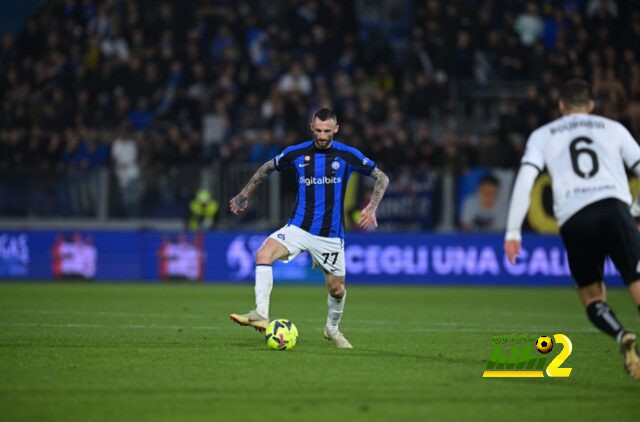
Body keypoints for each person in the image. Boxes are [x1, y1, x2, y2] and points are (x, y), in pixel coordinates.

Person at [504, 79, 640, 380]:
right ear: (591, 106)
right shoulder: (613, 128)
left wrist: (513, 231)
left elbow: (526, 181)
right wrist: (637, 209)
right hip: (616, 208)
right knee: (636, 281)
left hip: (576, 218)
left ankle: (621, 335)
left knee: (592, 297)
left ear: (561, 106)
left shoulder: (543, 135)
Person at [228, 107, 389, 348]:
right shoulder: (297, 152)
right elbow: (267, 168)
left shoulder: (347, 154)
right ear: (311, 128)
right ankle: (261, 313)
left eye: (327, 131)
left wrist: (372, 206)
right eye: (318, 130)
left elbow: (382, 177)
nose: (322, 136)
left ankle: (332, 329)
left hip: (330, 236)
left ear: (336, 129)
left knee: (337, 289)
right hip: (298, 228)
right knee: (263, 254)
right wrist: (244, 193)